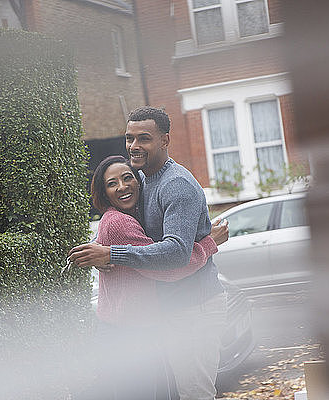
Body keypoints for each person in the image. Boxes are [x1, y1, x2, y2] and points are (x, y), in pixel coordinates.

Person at [69, 106, 229, 400]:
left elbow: (177, 254)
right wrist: (105, 250)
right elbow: (121, 226)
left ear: (165, 140)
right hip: (164, 312)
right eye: (129, 138)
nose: (134, 146)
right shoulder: (142, 179)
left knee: (195, 394)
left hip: (194, 308)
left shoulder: (175, 184)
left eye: (144, 138)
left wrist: (112, 255)